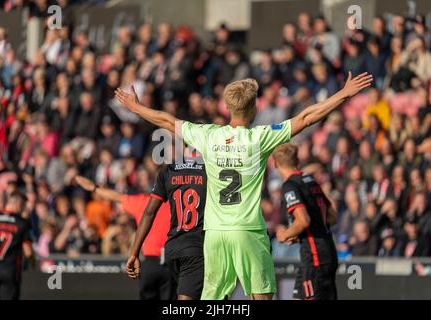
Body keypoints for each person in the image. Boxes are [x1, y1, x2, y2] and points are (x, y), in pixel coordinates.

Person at [116, 71, 372, 300]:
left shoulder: (209, 135)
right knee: (261, 296)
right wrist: (343, 94)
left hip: (215, 234)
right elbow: (306, 117)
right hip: (248, 231)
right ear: (254, 108)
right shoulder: (259, 138)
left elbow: (167, 121)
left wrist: (137, 108)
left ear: (228, 107)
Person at [75, 176, 175, 300]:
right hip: (172, 263)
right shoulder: (176, 205)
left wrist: (94, 188)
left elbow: (117, 197)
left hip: (151, 264)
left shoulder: (143, 201)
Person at [126, 150, 207, 300]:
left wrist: (134, 252)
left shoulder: (169, 170)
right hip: (196, 247)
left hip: (172, 247)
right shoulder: (209, 169)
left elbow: (149, 212)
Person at [274, 143, 338, 300]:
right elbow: (332, 216)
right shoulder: (309, 180)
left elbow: (303, 220)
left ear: (276, 164)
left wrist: (285, 234)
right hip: (326, 251)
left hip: (314, 257)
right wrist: (299, 233)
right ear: (297, 160)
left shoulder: (290, 185)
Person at [0, 191, 35, 300]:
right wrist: (33, 262)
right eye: (23, 205)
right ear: (18, 204)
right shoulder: (22, 223)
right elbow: (28, 250)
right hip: (10, 269)